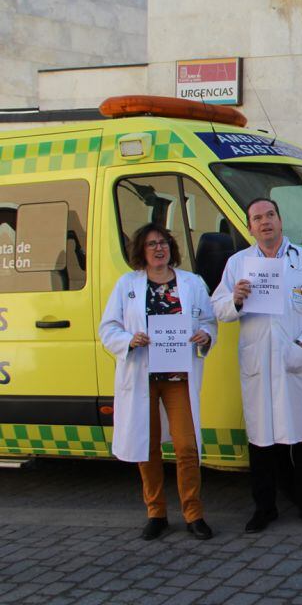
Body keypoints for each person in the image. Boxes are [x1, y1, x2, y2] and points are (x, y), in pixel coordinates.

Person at [211, 198, 302, 533]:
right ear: (250, 227)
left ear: (280, 220)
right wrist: (235, 299)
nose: (265, 222)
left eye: (270, 215)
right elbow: (218, 308)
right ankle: (264, 509)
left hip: (294, 360)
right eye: (257, 218)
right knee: (262, 441)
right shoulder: (238, 263)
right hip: (258, 363)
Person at [99, 224, 217, 541]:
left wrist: (206, 334)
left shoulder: (191, 283)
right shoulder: (127, 285)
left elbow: (208, 320)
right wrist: (128, 339)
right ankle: (156, 512)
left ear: (171, 247)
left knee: (187, 446)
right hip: (142, 376)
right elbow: (107, 328)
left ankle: (193, 513)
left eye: (163, 242)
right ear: (142, 250)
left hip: (178, 377)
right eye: (151, 244)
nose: (158, 249)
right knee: (146, 446)